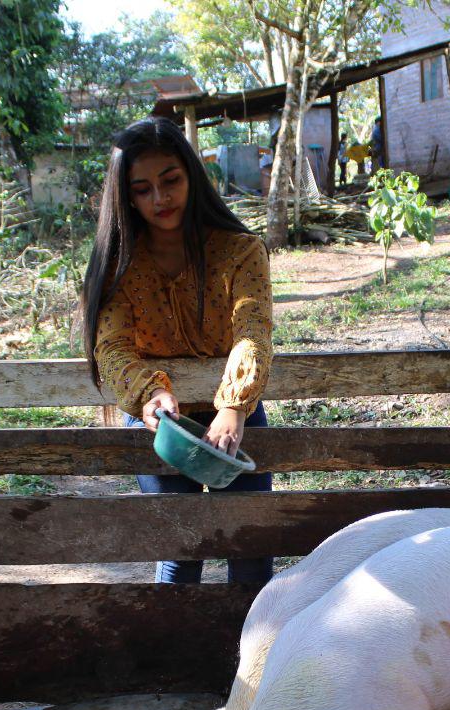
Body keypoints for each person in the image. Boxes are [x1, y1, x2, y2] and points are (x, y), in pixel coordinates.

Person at [79, 117, 274, 585]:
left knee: (249, 548)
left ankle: (256, 653)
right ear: (126, 195)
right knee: (179, 548)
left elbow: (253, 331)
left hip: (237, 415)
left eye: (170, 181)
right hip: (160, 421)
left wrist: (233, 407)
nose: (160, 199)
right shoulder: (118, 267)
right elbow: (114, 349)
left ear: (191, 176)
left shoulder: (241, 252)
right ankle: (172, 648)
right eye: (143, 189)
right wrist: (150, 395)